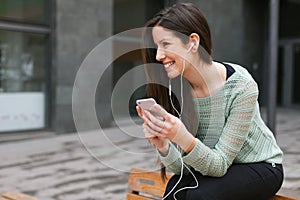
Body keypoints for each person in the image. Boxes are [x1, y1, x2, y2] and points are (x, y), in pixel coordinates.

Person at [136, 3, 283, 200]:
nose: (158, 55)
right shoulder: (178, 90)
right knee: (174, 190)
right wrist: (163, 144)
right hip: (220, 169)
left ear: (193, 42)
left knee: (201, 196)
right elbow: (184, 169)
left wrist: (181, 136)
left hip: (260, 166)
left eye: (166, 44)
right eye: (156, 46)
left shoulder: (241, 86)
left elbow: (219, 164)